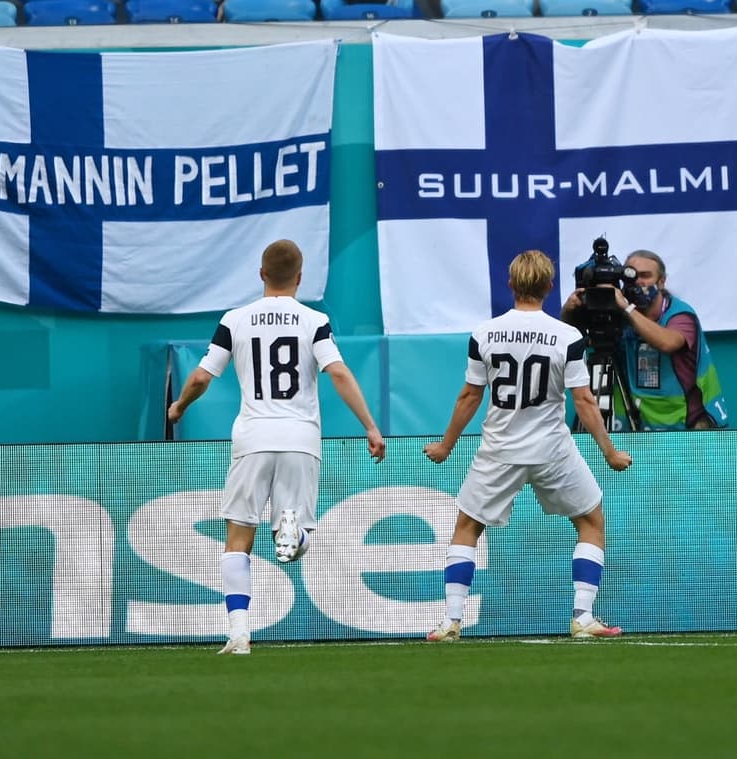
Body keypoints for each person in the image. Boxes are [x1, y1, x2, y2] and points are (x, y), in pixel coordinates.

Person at [168, 239, 386, 655]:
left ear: (261, 274)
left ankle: (239, 632)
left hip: (253, 438)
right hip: (300, 438)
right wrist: (370, 426)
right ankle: (297, 533)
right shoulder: (314, 320)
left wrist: (179, 405)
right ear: (300, 278)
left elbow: (200, 377)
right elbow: (337, 372)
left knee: (237, 538)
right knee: (295, 537)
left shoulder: (235, 319)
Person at [422, 249, 633, 642]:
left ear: (511, 284)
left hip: (499, 448)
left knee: (467, 527)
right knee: (590, 522)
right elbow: (584, 400)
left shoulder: (484, 333)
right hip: (551, 448)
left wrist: (447, 445)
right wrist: (608, 451)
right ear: (550, 287)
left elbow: (470, 396)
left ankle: (451, 621)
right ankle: (583, 617)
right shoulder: (567, 336)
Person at [561, 249, 728, 431]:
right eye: (632, 276)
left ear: (661, 281)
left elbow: (668, 342)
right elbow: (570, 335)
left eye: (645, 276)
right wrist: (570, 310)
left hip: (685, 423)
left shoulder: (680, 314)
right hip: (638, 423)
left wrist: (627, 308)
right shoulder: (617, 311)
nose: (638, 282)